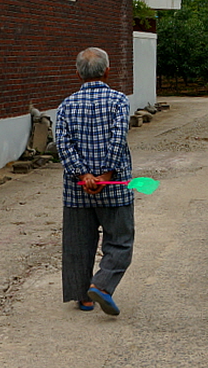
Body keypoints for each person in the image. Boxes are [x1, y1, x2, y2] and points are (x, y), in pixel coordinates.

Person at [55, 46, 134, 315]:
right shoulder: (119, 100)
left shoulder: (66, 105)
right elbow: (118, 137)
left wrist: (83, 174)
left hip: (78, 190)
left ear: (78, 73)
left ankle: (84, 297)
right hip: (114, 187)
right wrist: (107, 174)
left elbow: (62, 144)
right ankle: (101, 285)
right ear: (107, 71)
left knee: (78, 243)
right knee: (120, 239)